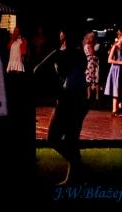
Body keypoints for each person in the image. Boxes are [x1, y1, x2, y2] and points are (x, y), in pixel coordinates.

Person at [36, 27, 89, 185]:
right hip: (81, 97)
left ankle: (77, 167)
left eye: (61, 32)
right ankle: (74, 175)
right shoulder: (79, 53)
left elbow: (38, 69)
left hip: (69, 97)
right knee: (71, 139)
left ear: (64, 35)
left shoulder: (60, 53)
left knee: (53, 138)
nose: (58, 34)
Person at [104, 28, 122, 116]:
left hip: (121, 70)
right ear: (120, 36)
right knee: (116, 89)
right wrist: (121, 62)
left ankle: (119, 108)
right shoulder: (115, 46)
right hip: (116, 70)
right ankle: (115, 110)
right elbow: (109, 60)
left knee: (120, 89)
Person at [84, 32, 100, 101]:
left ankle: (97, 96)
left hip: (95, 63)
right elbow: (91, 53)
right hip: (90, 63)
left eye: (92, 37)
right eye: (90, 37)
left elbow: (95, 53)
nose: (91, 39)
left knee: (96, 80)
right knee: (88, 80)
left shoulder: (96, 45)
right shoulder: (87, 46)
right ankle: (89, 95)